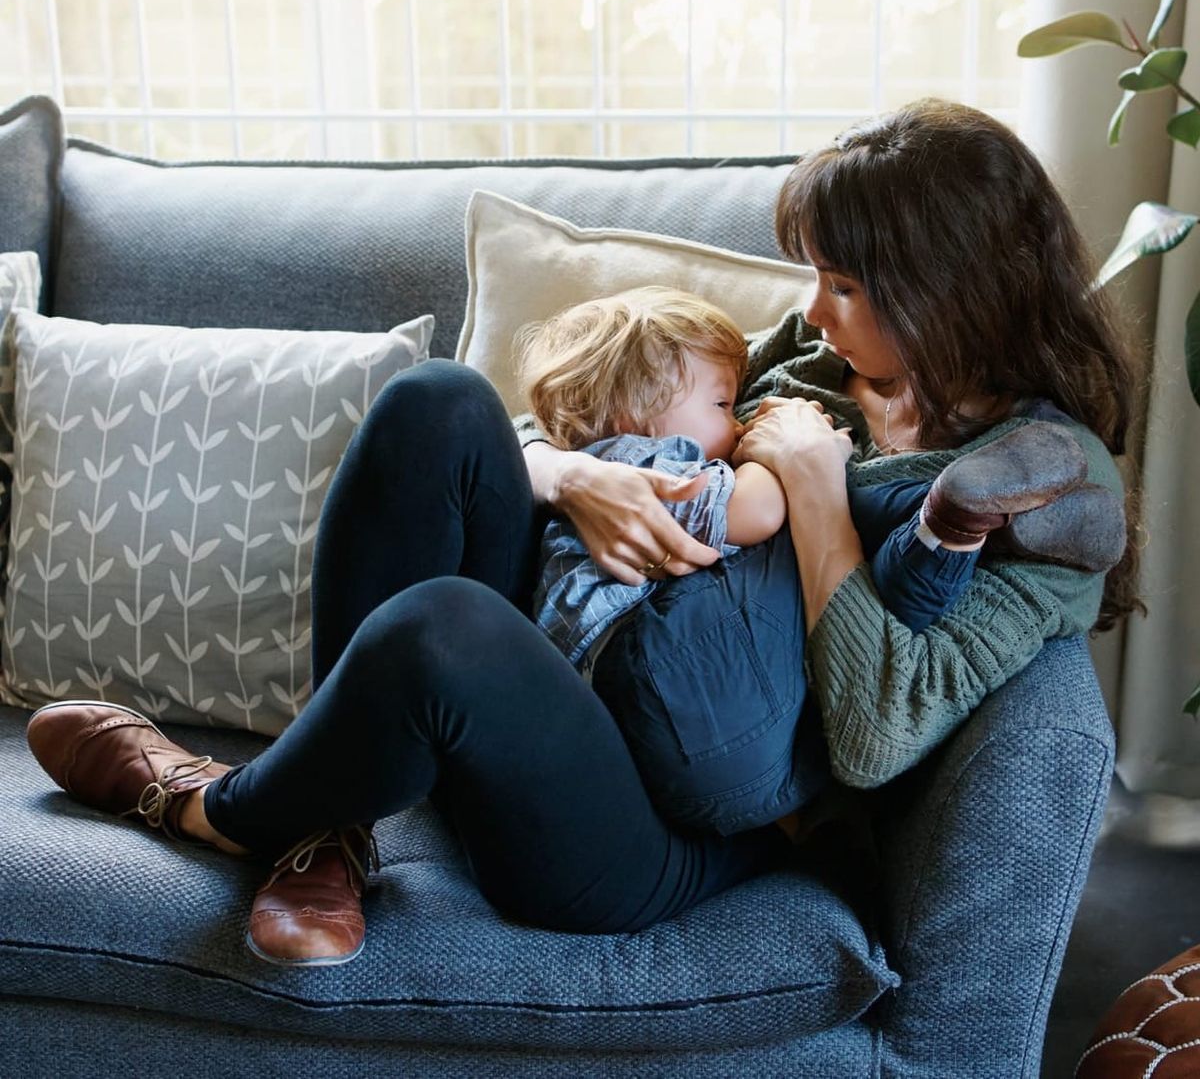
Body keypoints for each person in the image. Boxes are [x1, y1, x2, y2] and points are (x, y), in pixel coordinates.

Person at [23, 98, 1140, 972]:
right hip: (585, 654)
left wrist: (809, 482)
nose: (808, 309)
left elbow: (880, 733)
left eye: (842, 284)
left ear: (948, 292)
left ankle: (209, 808)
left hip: (658, 823)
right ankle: (337, 832)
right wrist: (573, 479)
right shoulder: (822, 361)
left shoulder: (1031, 495)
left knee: (443, 628)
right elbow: (615, 421)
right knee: (438, 406)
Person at [515, 285, 1123, 834]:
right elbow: (760, 510)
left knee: (872, 586)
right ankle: (958, 513)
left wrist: (802, 463)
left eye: (842, 284)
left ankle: (953, 530)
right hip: (665, 675)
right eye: (724, 406)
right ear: (632, 412)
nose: (811, 310)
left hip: (727, 719)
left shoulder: (667, 417)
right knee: (825, 524)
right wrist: (799, 455)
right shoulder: (647, 465)